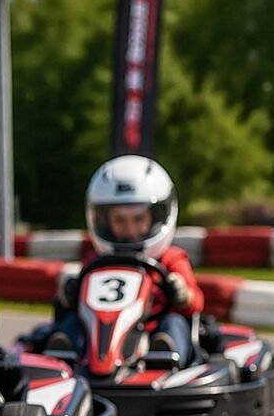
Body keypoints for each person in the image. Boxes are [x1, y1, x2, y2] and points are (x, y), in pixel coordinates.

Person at [46, 155, 203, 361]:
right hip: (101, 334)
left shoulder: (171, 258)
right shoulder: (95, 260)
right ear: (105, 220)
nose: (130, 229)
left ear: (155, 217)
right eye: (120, 220)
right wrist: (69, 294)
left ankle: (165, 354)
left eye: (138, 219)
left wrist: (182, 294)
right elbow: (75, 304)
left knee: (174, 322)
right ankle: (64, 353)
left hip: (152, 330)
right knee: (73, 321)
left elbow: (196, 302)